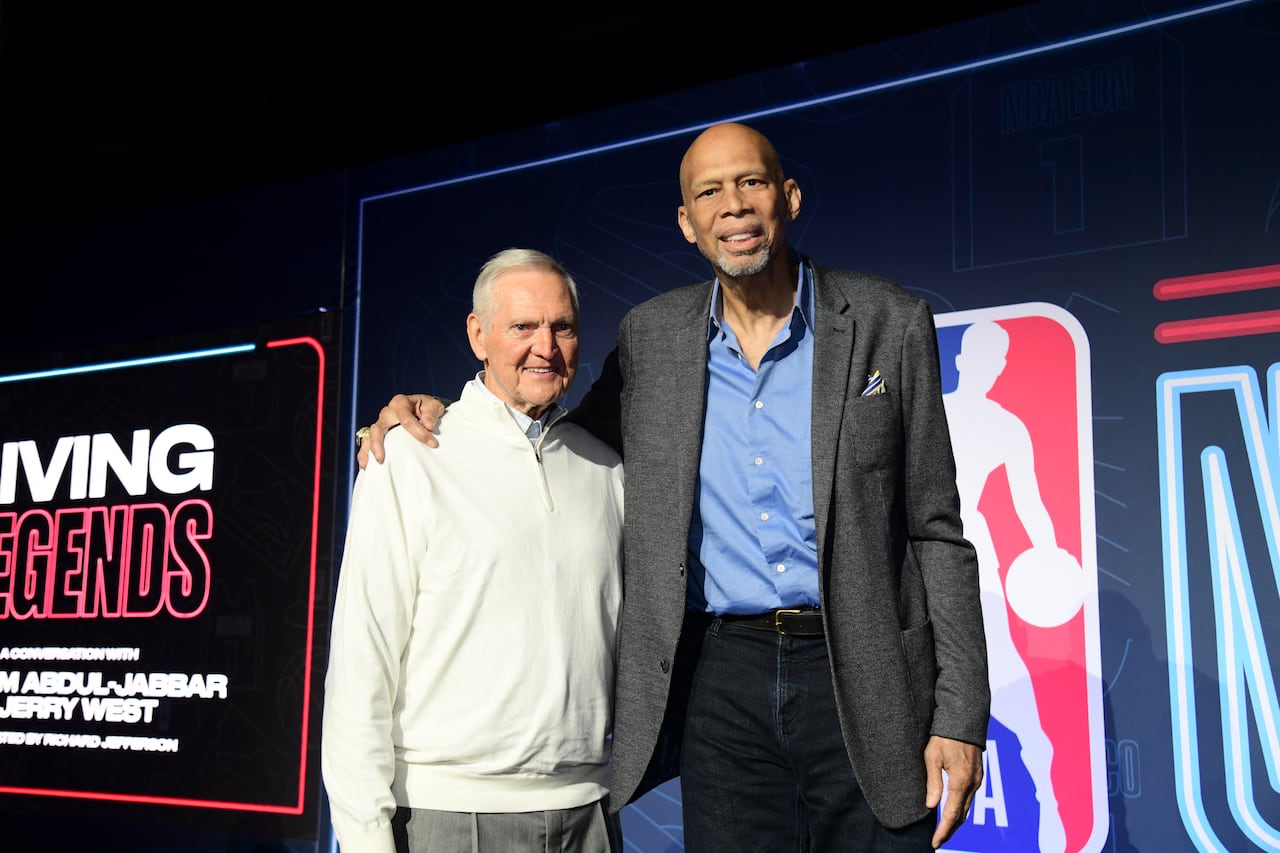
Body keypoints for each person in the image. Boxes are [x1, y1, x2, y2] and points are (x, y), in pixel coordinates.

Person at [360, 122, 989, 851]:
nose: (734, 206)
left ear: (787, 197)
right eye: (709, 192)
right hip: (720, 677)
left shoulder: (889, 320)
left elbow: (936, 529)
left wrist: (959, 713)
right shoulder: (652, 337)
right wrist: (438, 410)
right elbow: (555, 430)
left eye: (751, 182)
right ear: (687, 224)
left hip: (866, 666)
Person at [323, 248, 625, 853]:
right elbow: (362, 665)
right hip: (447, 818)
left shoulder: (608, 470)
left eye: (561, 326)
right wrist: (363, 838)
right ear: (477, 335)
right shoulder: (406, 458)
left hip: (591, 814)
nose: (546, 346)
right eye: (522, 326)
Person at [944, 319, 1076, 853]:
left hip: (975, 580)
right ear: (959, 361)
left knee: (1020, 709)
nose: (989, 369)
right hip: (906, 585)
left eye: (997, 362)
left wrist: (1048, 551)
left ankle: (1052, 820)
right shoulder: (926, 413)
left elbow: (1030, 504)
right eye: (980, 358)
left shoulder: (1005, 426)